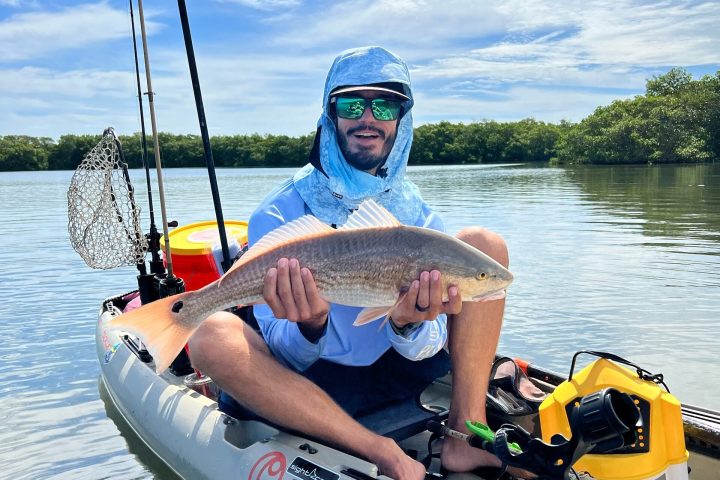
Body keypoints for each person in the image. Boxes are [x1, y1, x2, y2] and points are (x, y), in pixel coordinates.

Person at [189, 46, 515, 480]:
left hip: (395, 370)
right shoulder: (279, 210)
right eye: (351, 104)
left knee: (485, 245)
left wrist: (407, 324)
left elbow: (430, 343)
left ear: (401, 119)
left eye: (384, 104)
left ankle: (462, 436)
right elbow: (287, 354)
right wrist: (310, 326)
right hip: (311, 386)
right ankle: (376, 448)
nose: (368, 117)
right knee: (210, 335)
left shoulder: (415, 214)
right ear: (330, 113)